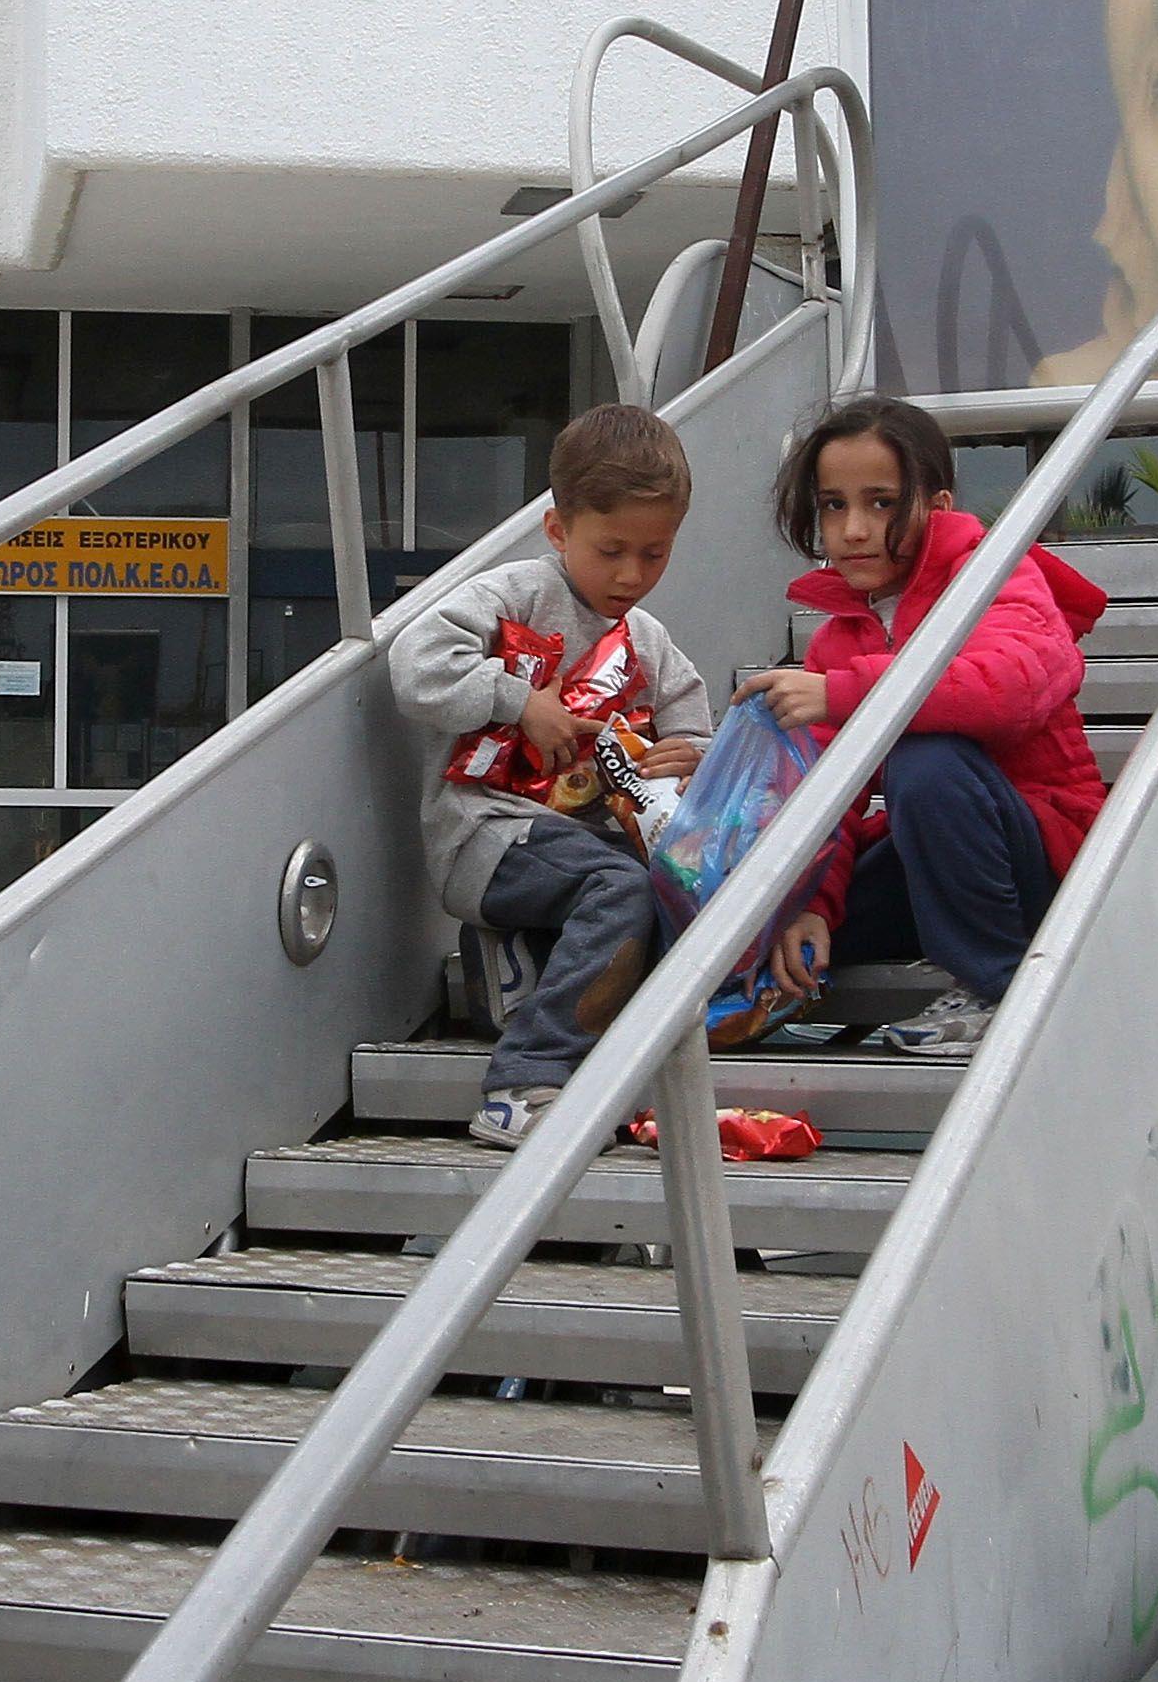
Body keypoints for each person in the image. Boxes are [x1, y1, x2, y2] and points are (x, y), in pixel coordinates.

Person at [386, 403, 714, 1145]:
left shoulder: (646, 638)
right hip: (484, 833)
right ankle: (522, 1083)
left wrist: (688, 753)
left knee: (678, 883)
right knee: (620, 888)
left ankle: (514, 977)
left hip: (578, 844)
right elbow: (415, 668)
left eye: (656, 554)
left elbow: (693, 719)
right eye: (612, 551)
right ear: (559, 531)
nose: (632, 575)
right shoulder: (514, 595)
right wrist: (518, 700)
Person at [740, 395, 1107, 1056]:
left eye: (881, 502)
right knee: (770, 922)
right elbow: (831, 797)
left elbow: (1007, 691)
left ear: (936, 507)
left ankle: (995, 986)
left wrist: (844, 694)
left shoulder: (997, 574)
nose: (852, 528)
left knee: (926, 755)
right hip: (939, 859)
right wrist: (814, 905)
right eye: (833, 503)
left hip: (1044, 854)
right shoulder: (836, 640)